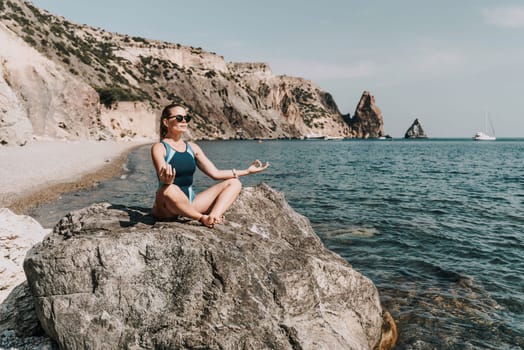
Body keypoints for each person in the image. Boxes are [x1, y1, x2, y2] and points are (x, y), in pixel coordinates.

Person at [151, 103, 269, 228]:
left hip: (190, 204)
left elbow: (215, 173)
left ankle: (213, 217)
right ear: (166, 122)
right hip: (166, 207)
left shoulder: (192, 147)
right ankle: (201, 218)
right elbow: (162, 176)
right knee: (169, 188)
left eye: (187, 118)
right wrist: (166, 180)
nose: (184, 121)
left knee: (235, 183)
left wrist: (247, 171)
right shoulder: (159, 147)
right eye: (179, 118)